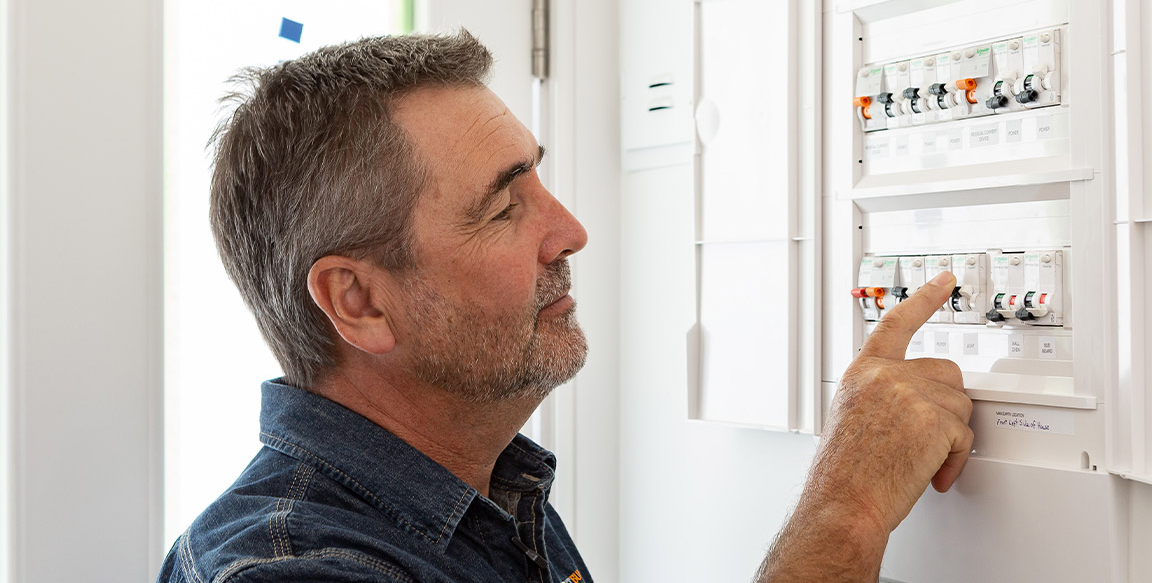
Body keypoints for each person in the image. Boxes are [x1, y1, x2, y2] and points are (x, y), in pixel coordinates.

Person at [157, 31, 972, 583]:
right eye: (503, 209)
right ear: (360, 301)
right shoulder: (295, 568)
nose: (570, 232)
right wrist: (847, 511)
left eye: (538, 182)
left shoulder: (487, 493)